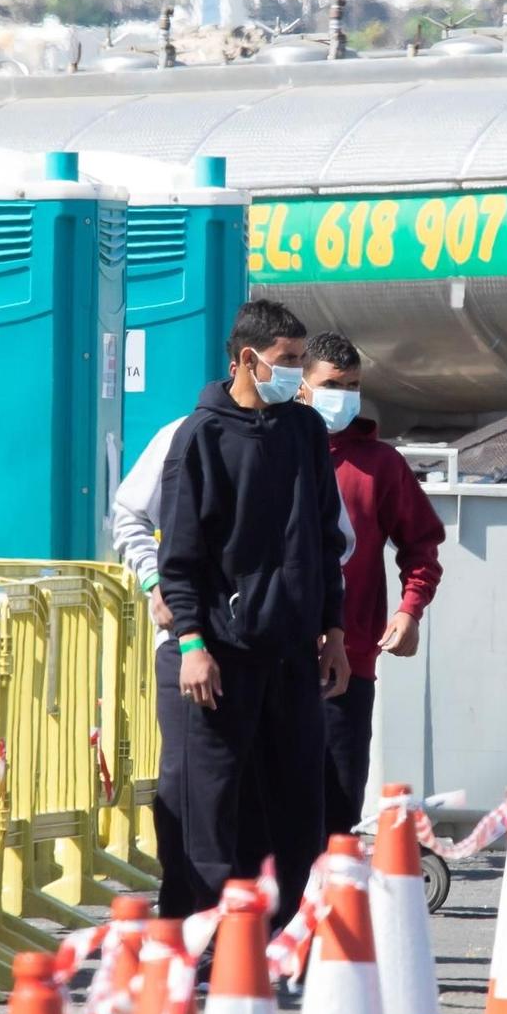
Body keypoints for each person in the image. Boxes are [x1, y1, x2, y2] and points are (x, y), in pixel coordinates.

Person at [158, 299, 352, 927]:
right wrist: (192, 644)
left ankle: (270, 931)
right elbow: (181, 558)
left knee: (297, 808)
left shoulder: (302, 433)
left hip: (291, 655)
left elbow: (325, 541)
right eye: (288, 361)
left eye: (300, 361)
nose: (297, 373)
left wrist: (334, 632)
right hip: (219, 657)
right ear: (247, 359)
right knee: (208, 808)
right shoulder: (200, 438)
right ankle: (205, 933)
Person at [298, 331, 447, 834]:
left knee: (338, 802)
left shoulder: (380, 464)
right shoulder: (274, 452)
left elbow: (422, 543)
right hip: (274, 656)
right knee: (276, 809)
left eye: (353, 384)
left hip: (350, 660)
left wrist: (410, 609)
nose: (342, 395)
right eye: (331, 383)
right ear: (302, 387)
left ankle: (330, 908)